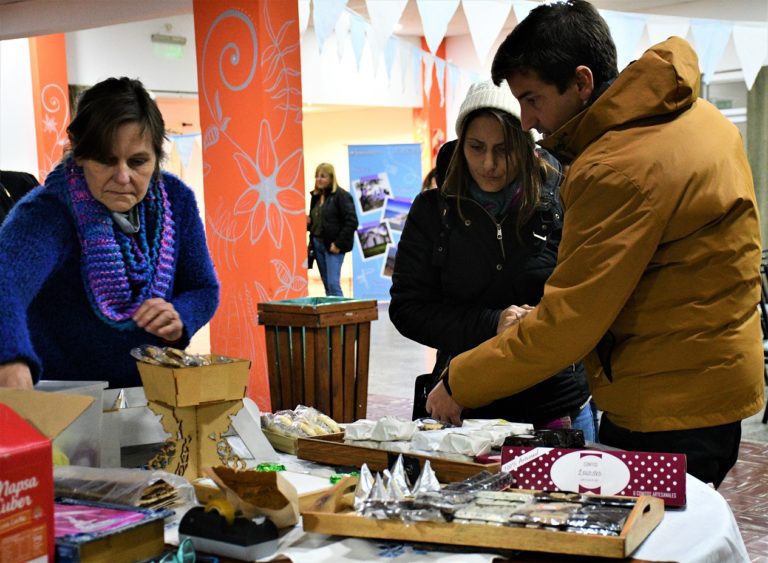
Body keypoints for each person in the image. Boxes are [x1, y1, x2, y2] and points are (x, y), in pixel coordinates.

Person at [426, 0, 764, 488]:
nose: (525, 120)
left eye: (533, 98)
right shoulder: (699, 117)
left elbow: (568, 324)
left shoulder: (616, 168)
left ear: (582, 82)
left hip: (664, 406)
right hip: (716, 383)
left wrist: (461, 381)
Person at [390, 79, 595, 440]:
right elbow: (407, 309)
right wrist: (491, 322)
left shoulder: (563, 196)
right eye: (476, 147)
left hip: (554, 404)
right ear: (460, 144)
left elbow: (585, 298)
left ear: (526, 146)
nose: (489, 164)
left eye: (503, 149)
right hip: (463, 407)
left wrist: (542, 317)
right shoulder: (432, 211)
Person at [0, 77, 219, 390]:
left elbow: (203, 287)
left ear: (157, 155)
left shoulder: (177, 200)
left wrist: (181, 315)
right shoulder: (49, 211)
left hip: (152, 395)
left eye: (138, 161)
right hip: (67, 398)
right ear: (78, 151)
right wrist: (9, 357)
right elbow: (6, 281)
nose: (123, 176)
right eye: (106, 160)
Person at [307, 163, 358, 297]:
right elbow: (320, 221)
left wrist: (338, 244)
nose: (319, 179)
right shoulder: (316, 197)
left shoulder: (342, 196)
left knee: (333, 285)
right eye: (317, 176)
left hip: (332, 246)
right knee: (327, 286)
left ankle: (341, 317)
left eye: (322, 176)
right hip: (317, 245)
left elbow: (352, 222)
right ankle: (331, 317)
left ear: (331, 178)